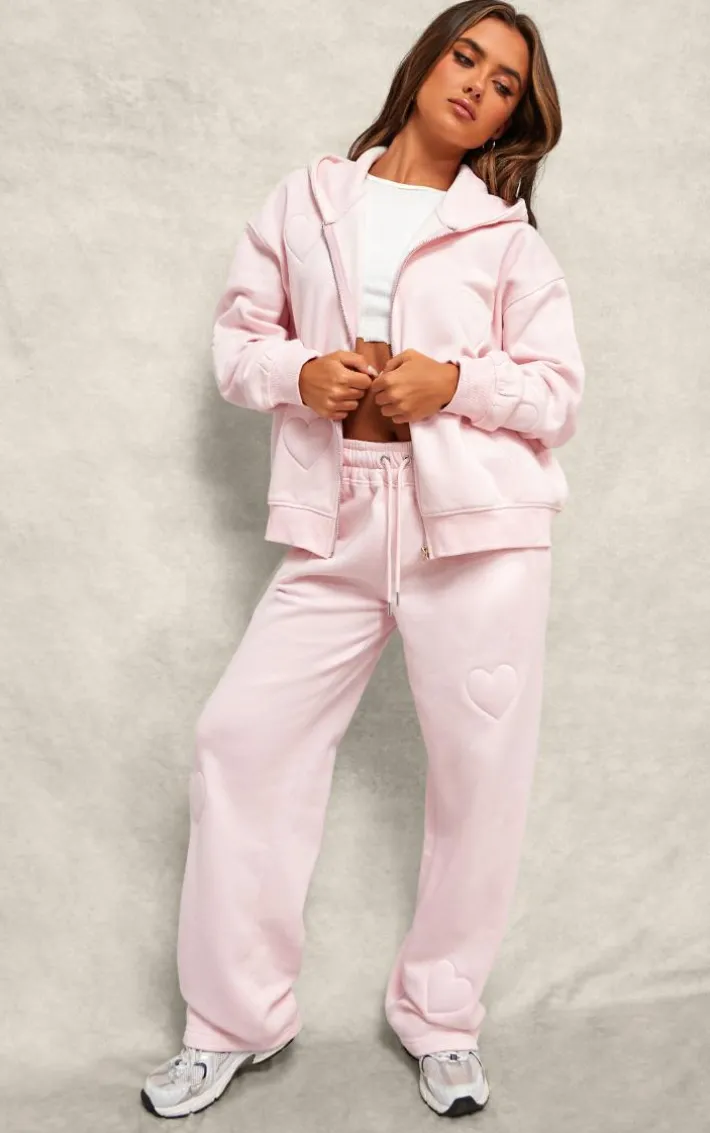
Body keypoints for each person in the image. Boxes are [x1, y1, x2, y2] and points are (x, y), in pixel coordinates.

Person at [140, 0, 585, 1119]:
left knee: (478, 779)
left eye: (501, 84)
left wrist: (456, 382)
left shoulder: (507, 241)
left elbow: (557, 395)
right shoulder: (307, 200)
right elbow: (238, 342)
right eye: (465, 57)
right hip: (338, 516)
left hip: (477, 533)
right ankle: (232, 1022)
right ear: (426, 61)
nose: (476, 85)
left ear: (507, 120)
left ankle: (442, 1017)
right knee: (241, 738)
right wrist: (299, 375)